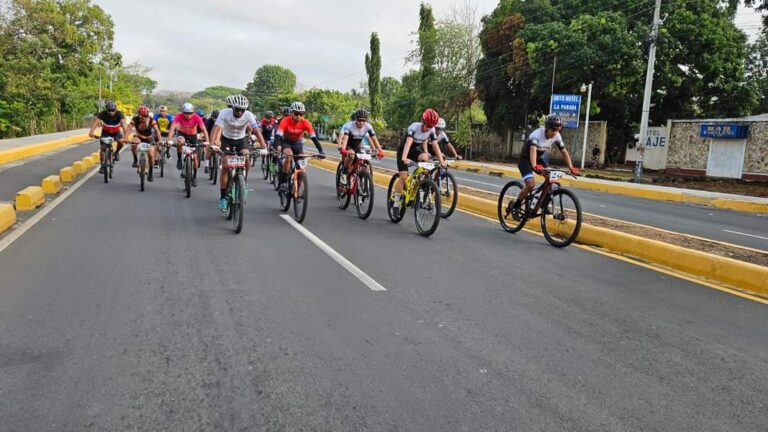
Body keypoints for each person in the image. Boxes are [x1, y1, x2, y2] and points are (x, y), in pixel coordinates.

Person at [509, 115, 579, 220]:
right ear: (547, 128)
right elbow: (533, 149)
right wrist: (534, 166)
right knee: (530, 184)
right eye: (553, 130)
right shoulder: (537, 135)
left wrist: (571, 167)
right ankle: (516, 206)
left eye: (557, 130)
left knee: (550, 177)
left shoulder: (557, 136)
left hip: (538, 158)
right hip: (525, 160)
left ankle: (542, 204)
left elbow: (564, 151)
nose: (555, 132)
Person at [210, 94, 266, 211]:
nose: (240, 112)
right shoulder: (225, 112)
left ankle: (243, 182)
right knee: (225, 165)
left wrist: (263, 147)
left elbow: (256, 130)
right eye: (237, 110)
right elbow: (216, 128)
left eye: (242, 110)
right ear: (233, 108)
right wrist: (212, 144)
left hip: (241, 140)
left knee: (246, 156)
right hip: (226, 140)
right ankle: (223, 198)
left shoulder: (249, 115)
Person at [392, 108, 446, 218]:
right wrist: (404, 159)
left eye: (431, 127)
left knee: (426, 158)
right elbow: (408, 143)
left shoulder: (431, 130)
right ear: (423, 121)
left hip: (414, 151)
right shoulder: (414, 127)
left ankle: (421, 183)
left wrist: (442, 162)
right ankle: (396, 204)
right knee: (403, 177)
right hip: (404, 151)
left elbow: (435, 146)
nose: (428, 129)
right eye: (427, 125)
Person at [274, 101, 325, 192]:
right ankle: (283, 182)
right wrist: (277, 147)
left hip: (297, 143)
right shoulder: (285, 121)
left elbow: (313, 138)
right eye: (296, 113)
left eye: (301, 114)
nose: (298, 116)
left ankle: (297, 189)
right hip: (286, 142)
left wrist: (321, 151)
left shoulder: (306, 122)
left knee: (302, 164)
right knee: (288, 156)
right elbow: (278, 136)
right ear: (292, 113)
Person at [166, 102, 210, 186]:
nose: (188, 115)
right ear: (183, 112)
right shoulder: (179, 116)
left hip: (193, 136)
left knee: (196, 157)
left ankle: (195, 177)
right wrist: (169, 140)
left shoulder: (197, 117)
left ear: (193, 112)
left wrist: (207, 142)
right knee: (180, 142)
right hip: (182, 134)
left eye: (190, 113)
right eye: (185, 113)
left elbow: (204, 129)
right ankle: (179, 159)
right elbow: (172, 128)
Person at [338, 109, 385, 184]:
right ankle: (344, 172)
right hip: (349, 145)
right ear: (355, 119)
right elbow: (345, 137)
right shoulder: (349, 125)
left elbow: (374, 139)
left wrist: (380, 150)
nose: (361, 123)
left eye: (364, 121)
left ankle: (360, 175)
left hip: (358, 145)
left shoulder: (368, 126)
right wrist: (343, 148)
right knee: (351, 155)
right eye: (359, 120)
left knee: (362, 158)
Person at [125, 105, 162, 181]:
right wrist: (124, 137)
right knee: (134, 143)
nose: (142, 117)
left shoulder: (152, 120)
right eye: (141, 116)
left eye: (145, 116)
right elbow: (129, 129)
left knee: (151, 154)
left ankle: (150, 172)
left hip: (149, 138)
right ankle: (135, 160)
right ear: (138, 114)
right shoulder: (135, 119)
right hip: (139, 137)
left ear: (147, 115)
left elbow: (157, 131)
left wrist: (160, 140)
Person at [88, 100, 126, 170]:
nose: (111, 112)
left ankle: (116, 152)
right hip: (106, 132)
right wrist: (91, 131)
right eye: (109, 110)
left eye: (113, 110)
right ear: (106, 110)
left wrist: (125, 136)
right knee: (102, 149)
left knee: (121, 142)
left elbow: (123, 125)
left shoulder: (119, 114)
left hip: (116, 133)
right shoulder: (102, 114)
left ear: (115, 109)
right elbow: (96, 122)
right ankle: (102, 164)